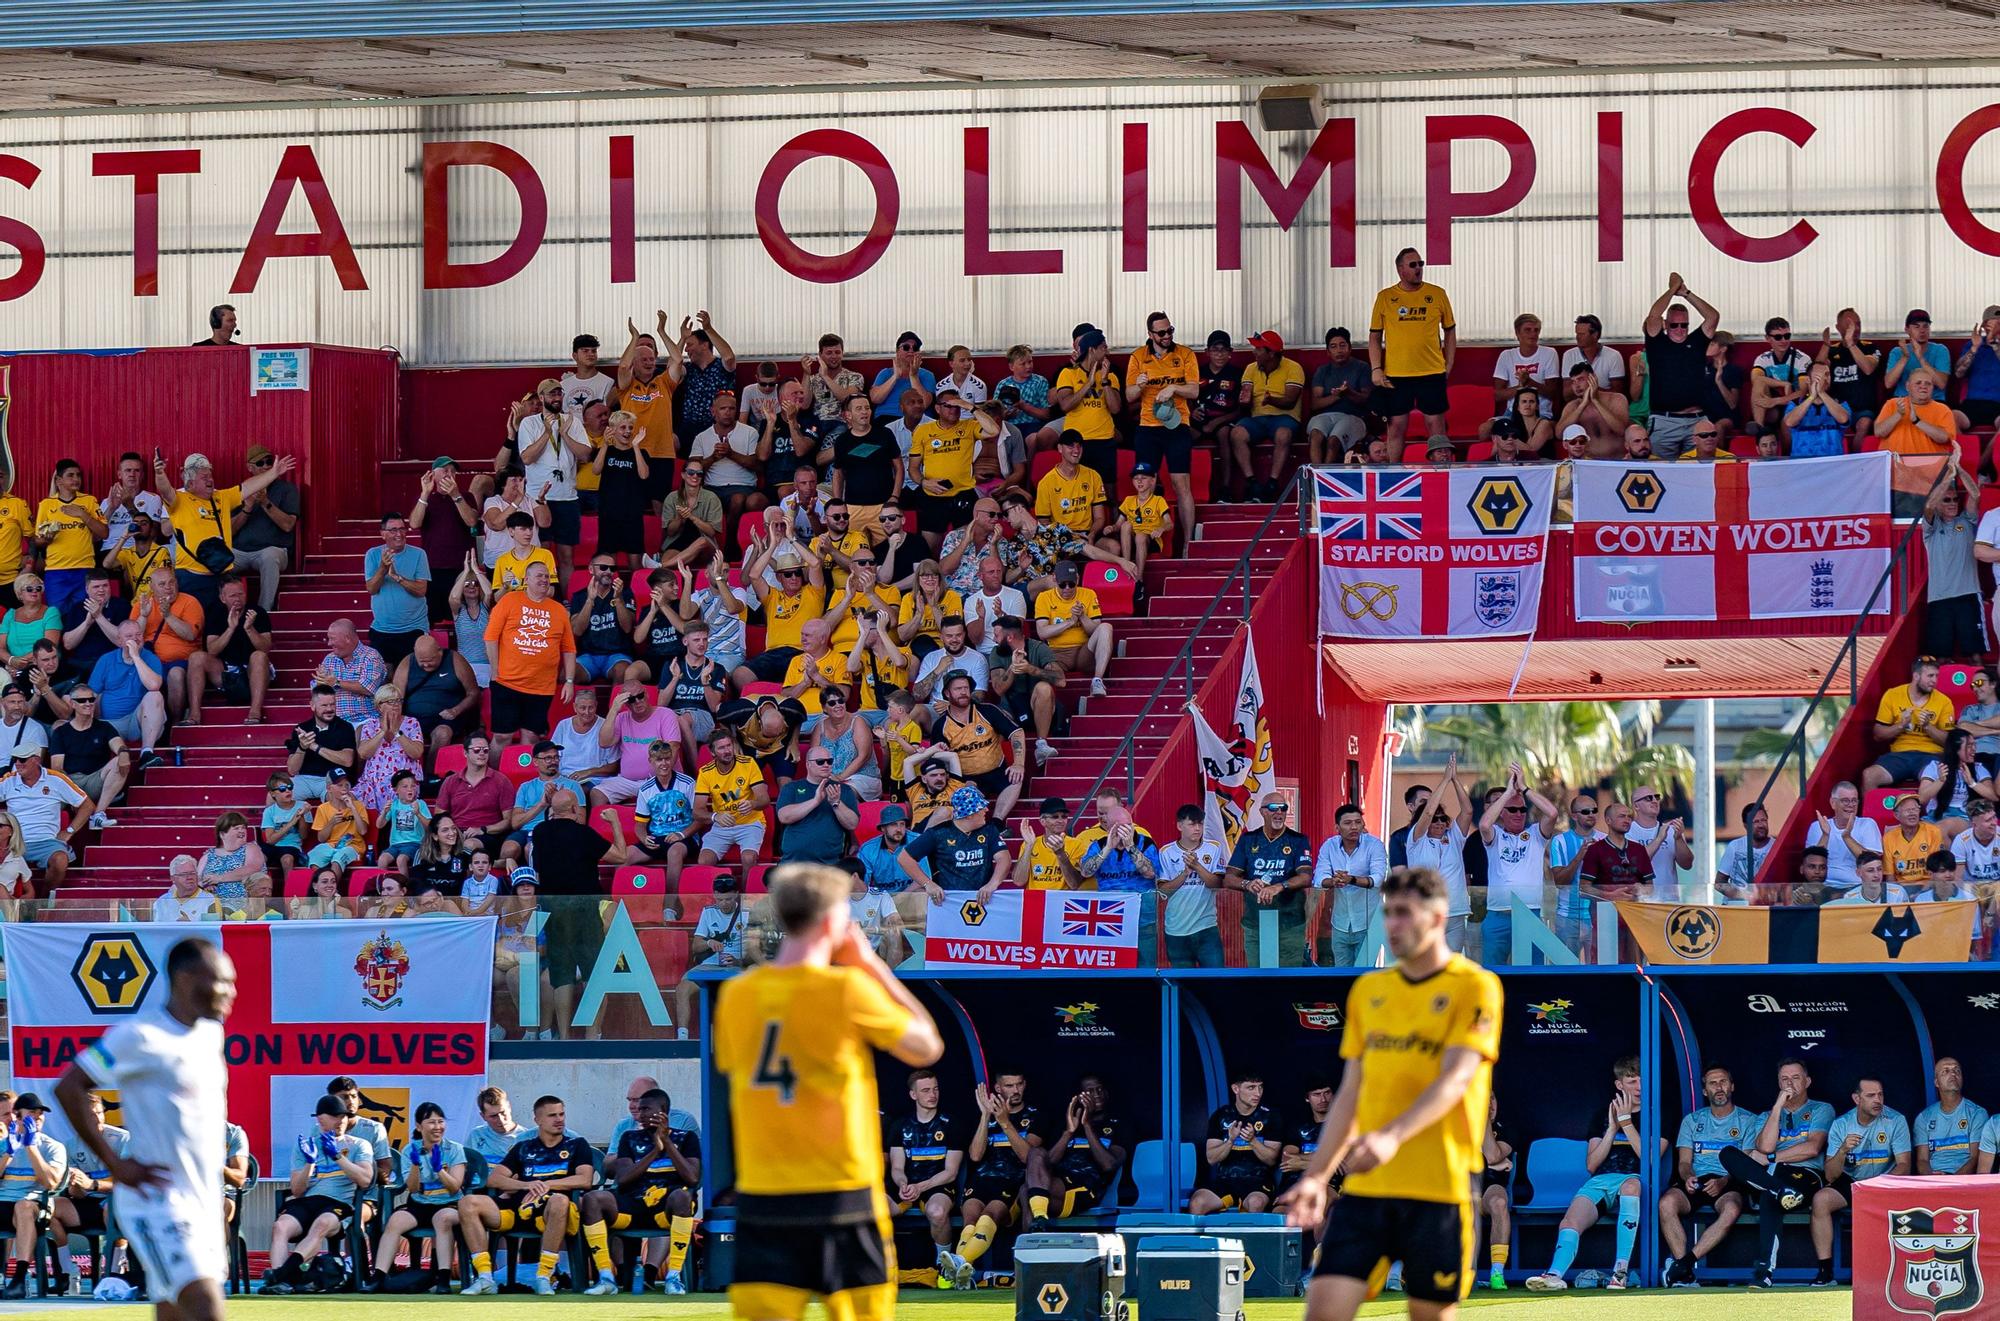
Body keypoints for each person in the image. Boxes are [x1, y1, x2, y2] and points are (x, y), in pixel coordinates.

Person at [712, 862, 944, 1319]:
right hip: (841, 1190)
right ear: (835, 919)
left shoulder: (737, 997)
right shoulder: (845, 989)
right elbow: (926, 1046)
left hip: (765, 1192)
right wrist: (869, 962)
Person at [1278, 867, 1502, 1321]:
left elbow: (1455, 1080)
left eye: (1404, 913)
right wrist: (1317, 1178)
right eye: (1388, 914)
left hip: (1438, 1190)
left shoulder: (1475, 985)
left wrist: (1391, 1136)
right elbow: (1350, 1094)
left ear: (1438, 917)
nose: (1393, 925)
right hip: (1367, 1190)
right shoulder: (1369, 990)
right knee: (1321, 1312)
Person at [55, 937, 235, 1321]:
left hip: (203, 1200)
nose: (231, 992)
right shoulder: (139, 1036)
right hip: (157, 1200)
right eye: (222, 981)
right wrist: (114, 1163)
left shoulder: (210, 1035)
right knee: (206, 1309)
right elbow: (70, 1086)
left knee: (172, 1310)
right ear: (186, 978)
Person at [1526, 1056, 1659, 1291]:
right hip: (1601, 1181)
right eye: (1631, 1081)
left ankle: (1620, 1272)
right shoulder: (1602, 1114)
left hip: (1635, 1180)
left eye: (1642, 1080)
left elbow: (1649, 1160)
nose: (1639, 1087)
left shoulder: (1656, 1114)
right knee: (1570, 1221)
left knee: (1630, 1187)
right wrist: (1611, 1129)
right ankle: (1554, 1275)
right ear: (1619, 1085)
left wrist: (1627, 1123)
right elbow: (1591, 1164)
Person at [458, 1094, 600, 1295]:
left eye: (561, 1114)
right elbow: (495, 1179)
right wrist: (525, 1185)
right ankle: (485, 1277)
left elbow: (585, 1180)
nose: (559, 1119)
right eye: (552, 1115)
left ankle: (544, 1275)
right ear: (538, 1120)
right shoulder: (523, 1147)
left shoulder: (577, 1144)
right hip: (517, 1208)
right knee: (467, 1202)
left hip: (551, 1213)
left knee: (560, 1200)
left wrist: (547, 1184)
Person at [1715, 1057, 1837, 1289]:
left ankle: (1764, 1272)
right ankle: (1780, 1190)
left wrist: (1770, 1159)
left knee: (1769, 1195)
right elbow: (1764, 1146)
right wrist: (1778, 1107)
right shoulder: (1767, 1114)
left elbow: (1812, 1148)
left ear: (1808, 1081)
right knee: (1728, 1153)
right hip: (1771, 1176)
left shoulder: (1821, 1108)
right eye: (1784, 1079)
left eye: (1795, 1078)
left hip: (1804, 1175)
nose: (1789, 1084)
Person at [591, 1087, 702, 1294]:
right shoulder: (629, 1137)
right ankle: (606, 1277)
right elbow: (623, 1181)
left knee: (682, 1196)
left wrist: (667, 1143)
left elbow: (692, 1177)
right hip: (633, 1206)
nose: (640, 1114)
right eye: (638, 1109)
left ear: (663, 1112)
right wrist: (655, 1151)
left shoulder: (686, 1138)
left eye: (645, 1109)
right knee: (593, 1199)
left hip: (666, 1208)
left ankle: (673, 1277)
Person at [262, 1093, 375, 1294]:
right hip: (309, 1201)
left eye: (343, 1116)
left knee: (321, 1225)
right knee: (280, 1227)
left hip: (339, 1203)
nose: (340, 1121)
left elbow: (365, 1180)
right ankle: (281, 1283)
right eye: (334, 1116)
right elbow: (297, 1190)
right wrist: (309, 1162)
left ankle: (280, 1275)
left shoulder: (359, 1145)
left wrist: (338, 1156)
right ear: (321, 1120)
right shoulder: (307, 1145)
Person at [1805, 1078, 1912, 1286]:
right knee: (1821, 1200)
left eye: (1880, 1094)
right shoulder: (1841, 1124)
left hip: (1885, 1181)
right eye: (1871, 1095)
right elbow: (1830, 1175)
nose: (1878, 1100)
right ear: (1857, 1098)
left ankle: (1884, 1271)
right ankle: (1825, 1271)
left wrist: (1879, 1185)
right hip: (1852, 1181)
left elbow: (1904, 1166)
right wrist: (1843, 1150)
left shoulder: (1895, 1120)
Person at [947, 1069, 1045, 1287]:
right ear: (998, 1088)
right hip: (982, 1179)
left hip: (1012, 1179)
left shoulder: (1035, 1115)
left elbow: (1027, 1157)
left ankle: (960, 1261)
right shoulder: (985, 1115)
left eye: (1019, 1084)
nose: (1016, 1090)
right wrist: (985, 1116)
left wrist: (1005, 1122)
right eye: (1009, 1086)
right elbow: (975, 1155)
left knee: (988, 1216)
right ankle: (961, 1269)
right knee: (970, 1219)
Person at [1660, 1064, 1756, 1286]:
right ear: (1705, 1091)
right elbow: (1684, 1162)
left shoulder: (1748, 1120)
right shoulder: (1692, 1120)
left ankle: (1682, 1265)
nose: (1719, 1087)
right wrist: (1688, 1178)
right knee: (1666, 1203)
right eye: (1713, 1083)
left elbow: (1746, 1164)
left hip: (1730, 1179)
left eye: (1723, 1082)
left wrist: (1723, 1181)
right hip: (1699, 1178)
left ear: (1732, 1086)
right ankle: (1684, 1275)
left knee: (1731, 1208)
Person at [364, 1101, 465, 1294]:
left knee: (442, 1219)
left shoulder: (454, 1149)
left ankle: (443, 1278)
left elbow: (454, 1188)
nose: (437, 1127)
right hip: (420, 1203)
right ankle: (379, 1276)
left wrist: (439, 1170)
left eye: (440, 1121)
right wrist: (416, 1166)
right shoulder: (410, 1150)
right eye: (431, 1122)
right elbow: (413, 1189)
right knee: (395, 1221)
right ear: (419, 1126)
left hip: (448, 1204)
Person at [1368, 248, 1457, 462]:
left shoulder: (1437, 293)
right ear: (1400, 269)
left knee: (1436, 425)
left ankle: (1441, 473)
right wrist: (1376, 368)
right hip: (1397, 374)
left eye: (1421, 264)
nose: (1419, 268)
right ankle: (1393, 476)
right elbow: (1374, 337)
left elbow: (1450, 330)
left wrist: (1449, 363)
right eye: (1413, 265)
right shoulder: (1385, 297)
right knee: (1396, 427)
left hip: (1432, 371)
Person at [886, 1069, 967, 1284]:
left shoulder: (952, 1124)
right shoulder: (900, 1126)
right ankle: (884, 1268)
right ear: (913, 1095)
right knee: (875, 1207)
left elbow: (950, 1172)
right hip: (907, 1186)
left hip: (937, 1184)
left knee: (937, 1212)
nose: (932, 1094)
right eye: (926, 1090)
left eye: (935, 1089)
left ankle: (944, 1267)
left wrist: (921, 1186)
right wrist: (903, 1183)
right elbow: (896, 1167)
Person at [1021, 1074, 1126, 1236]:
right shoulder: (1066, 1123)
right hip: (1060, 1184)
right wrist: (1069, 1133)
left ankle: (1035, 1242)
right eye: (1090, 1091)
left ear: (1107, 1093)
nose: (1096, 1094)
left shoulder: (1119, 1124)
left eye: (1099, 1089)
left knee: (1028, 1191)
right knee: (1035, 1156)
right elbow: (1049, 1162)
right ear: (1078, 1097)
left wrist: (1087, 1124)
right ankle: (1037, 1232)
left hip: (1086, 1188)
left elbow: (1108, 1165)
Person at [485, 561, 578, 745]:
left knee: (531, 737)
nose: (544, 579)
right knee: (502, 736)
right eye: (539, 575)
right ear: (526, 579)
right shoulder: (509, 601)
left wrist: (569, 681)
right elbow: (490, 637)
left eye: (547, 576)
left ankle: (525, 774)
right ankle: (496, 774)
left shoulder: (559, 610)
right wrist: (495, 670)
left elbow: (568, 648)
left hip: (541, 687)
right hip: (507, 681)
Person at [1478, 763, 1558, 964]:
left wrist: (1524, 788)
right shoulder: (1496, 835)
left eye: (1522, 809)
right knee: (1493, 974)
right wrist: (1507, 793)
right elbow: (1484, 824)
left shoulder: (1534, 835)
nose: (1519, 813)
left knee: (1534, 976)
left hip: (1529, 913)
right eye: (1512, 810)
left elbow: (1552, 814)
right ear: (1502, 813)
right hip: (1498, 915)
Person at [1225, 795, 1314, 967]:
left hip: (1290, 923)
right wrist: (1247, 884)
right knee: (1259, 980)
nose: (1279, 812)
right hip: (1254, 923)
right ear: (1262, 811)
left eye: (1283, 808)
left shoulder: (1298, 840)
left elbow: (1306, 877)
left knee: (1288, 980)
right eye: (1273, 807)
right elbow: (1228, 878)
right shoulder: (1248, 839)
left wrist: (1279, 887)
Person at [0, 741, 89, 891]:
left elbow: (87, 805)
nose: (17, 764)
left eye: (22, 759)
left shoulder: (56, 779)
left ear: (36, 760)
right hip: (14, 841)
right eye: (15, 759)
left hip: (47, 842)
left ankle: (44, 902)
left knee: (60, 859)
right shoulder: (9, 780)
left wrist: (69, 831)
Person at [1314, 802, 1388, 967]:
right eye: (1348, 823)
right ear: (1337, 827)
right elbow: (1319, 878)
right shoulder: (1329, 845)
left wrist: (1351, 879)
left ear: (1363, 824)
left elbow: (1378, 879)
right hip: (1340, 922)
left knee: (1364, 973)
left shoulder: (1374, 845)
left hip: (1368, 921)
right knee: (1341, 974)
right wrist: (1333, 881)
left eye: (1358, 822)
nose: (1354, 827)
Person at [1157, 803, 1227, 968]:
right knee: (1183, 985)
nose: (1197, 828)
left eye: (1200, 824)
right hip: (1176, 929)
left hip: (1207, 927)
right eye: (1192, 824)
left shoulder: (1214, 848)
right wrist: (1184, 874)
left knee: (1216, 980)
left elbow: (1217, 884)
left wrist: (1197, 867)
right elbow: (1163, 892)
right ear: (1179, 826)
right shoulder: (1166, 852)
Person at [363, 513, 430, 669]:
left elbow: (421, 590)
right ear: (383, 534)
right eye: (393, 530)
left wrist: (398, 578)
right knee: (383, 677)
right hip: (382, 629)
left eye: (401, 529)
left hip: (414, 628)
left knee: (410, 676)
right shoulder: (373, 554)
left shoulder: (419, 554)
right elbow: (372, 589)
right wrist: (383, 568)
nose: (399, 534)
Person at [1914, 1057, 1987, 1177]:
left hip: (1964, 1181)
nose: (1953, 1073)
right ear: (1937, 1083)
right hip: (1933, 1180)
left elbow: (1975, 1158)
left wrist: (1952, 1181)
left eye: (1957, 1071)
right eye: (1945, 1071)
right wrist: (1930, 1178)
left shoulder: (1977, 1113)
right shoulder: (1923, 1118)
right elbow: (1922, 1160)